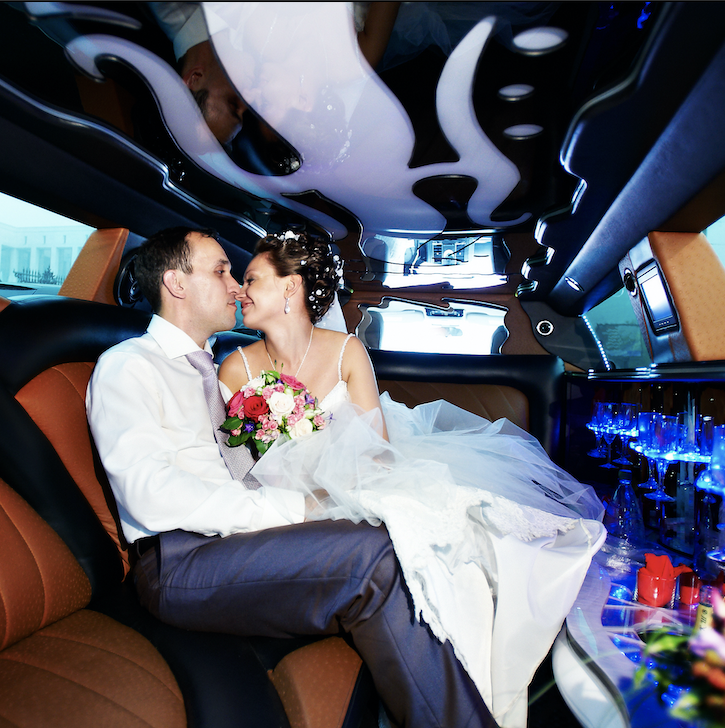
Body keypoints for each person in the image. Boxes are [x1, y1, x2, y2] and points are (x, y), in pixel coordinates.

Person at [86, 226, 497, 728]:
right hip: (178, 561)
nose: (236, 285)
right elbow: (149, 494)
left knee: (392, 533)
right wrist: (294, 511)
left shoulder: (209, 367)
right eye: (220, 271)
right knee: (373, 560)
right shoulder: (127, 367)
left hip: (230, 541)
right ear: (176, 284)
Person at [219, 230, 607, 728]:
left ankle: (478, 699)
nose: (241, 290)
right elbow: (241, 469)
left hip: (362, 482)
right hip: (284, 504)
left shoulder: (346, 352)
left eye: (251, 278)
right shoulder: (236, 367)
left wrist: (332, 481)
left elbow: (377, 455)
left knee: (451, 552)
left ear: (290, 288)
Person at [151, 2, 400, 145]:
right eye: (260, 103)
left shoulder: (248, 37)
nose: (249, 95)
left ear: (195, 78)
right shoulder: (258, 49)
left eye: (232, 103)